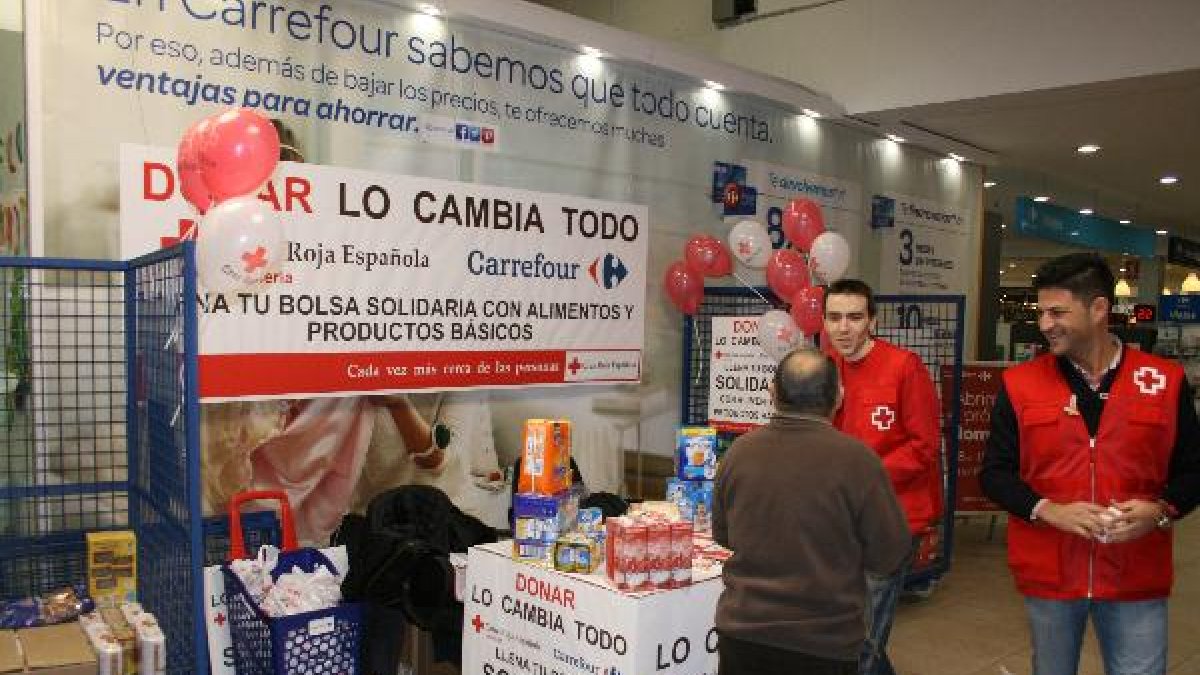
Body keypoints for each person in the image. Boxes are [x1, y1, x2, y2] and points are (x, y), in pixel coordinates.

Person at [980, 253, 1200, 675]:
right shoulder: (1019, 384)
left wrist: (1160, 511)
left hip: (1136, 573)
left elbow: (1193, 469)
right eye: (1041, 311)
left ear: (1099, 308)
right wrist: (1050, 511)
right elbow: (995, 473)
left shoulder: (1164, 381)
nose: (1045, 324)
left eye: (1058, 312)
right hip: (1050, 573)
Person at [713, 348, 911, 675]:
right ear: (838, 396)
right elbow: (890, 554)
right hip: (824, 643)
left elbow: (724, 534)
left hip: (743, 633)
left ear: (772, 393)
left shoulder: (740, 452)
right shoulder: (858, 461)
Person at [822, 278, 942, 675]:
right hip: (840, 518)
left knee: (865, 636)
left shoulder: (904, 367)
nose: (844, 327)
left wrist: (862, 477)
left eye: (855, 317)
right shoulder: (825, 366)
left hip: (892, 519)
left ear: (872, 320)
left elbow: (924, 447)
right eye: (835, 317)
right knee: (846, 631)